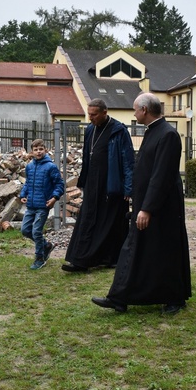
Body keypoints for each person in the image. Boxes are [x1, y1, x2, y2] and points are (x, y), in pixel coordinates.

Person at [92, 93, 191, 314]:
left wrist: (147, 208)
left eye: (135, 109)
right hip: (145, 204)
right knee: (133, 249)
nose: (134, 113)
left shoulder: (168, 135)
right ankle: (119, 297)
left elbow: (162, 176)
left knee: (165, 251)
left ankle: (174, 298)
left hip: (162, 209)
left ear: (145, 110)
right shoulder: (153, 132)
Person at [62, 98, 134, 272]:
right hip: (93, 182)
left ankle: (111, 259)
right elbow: (88, 156)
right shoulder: (90, 130)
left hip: (112, 183)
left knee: (112, 222)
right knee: (87, 219)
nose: (90, 117)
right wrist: (83, 180)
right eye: (89, 114)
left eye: (94, 115)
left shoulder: (119, 131)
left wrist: (128, 187)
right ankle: (80, 260)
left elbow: (128, 160)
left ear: (104, 113)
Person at [19, 139, 65, 270]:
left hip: (43, 205)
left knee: (36, 231)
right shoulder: (29, 166)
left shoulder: (51, 167)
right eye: (36, 149)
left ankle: (40, 258)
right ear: (32, 152)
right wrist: (23, 195)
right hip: (31, 205)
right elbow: (28, 183)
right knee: (25, 230)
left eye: (41, 149)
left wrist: (55, 198)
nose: (38, 152)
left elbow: (59, 184)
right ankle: (46, 245)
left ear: (45, 150)